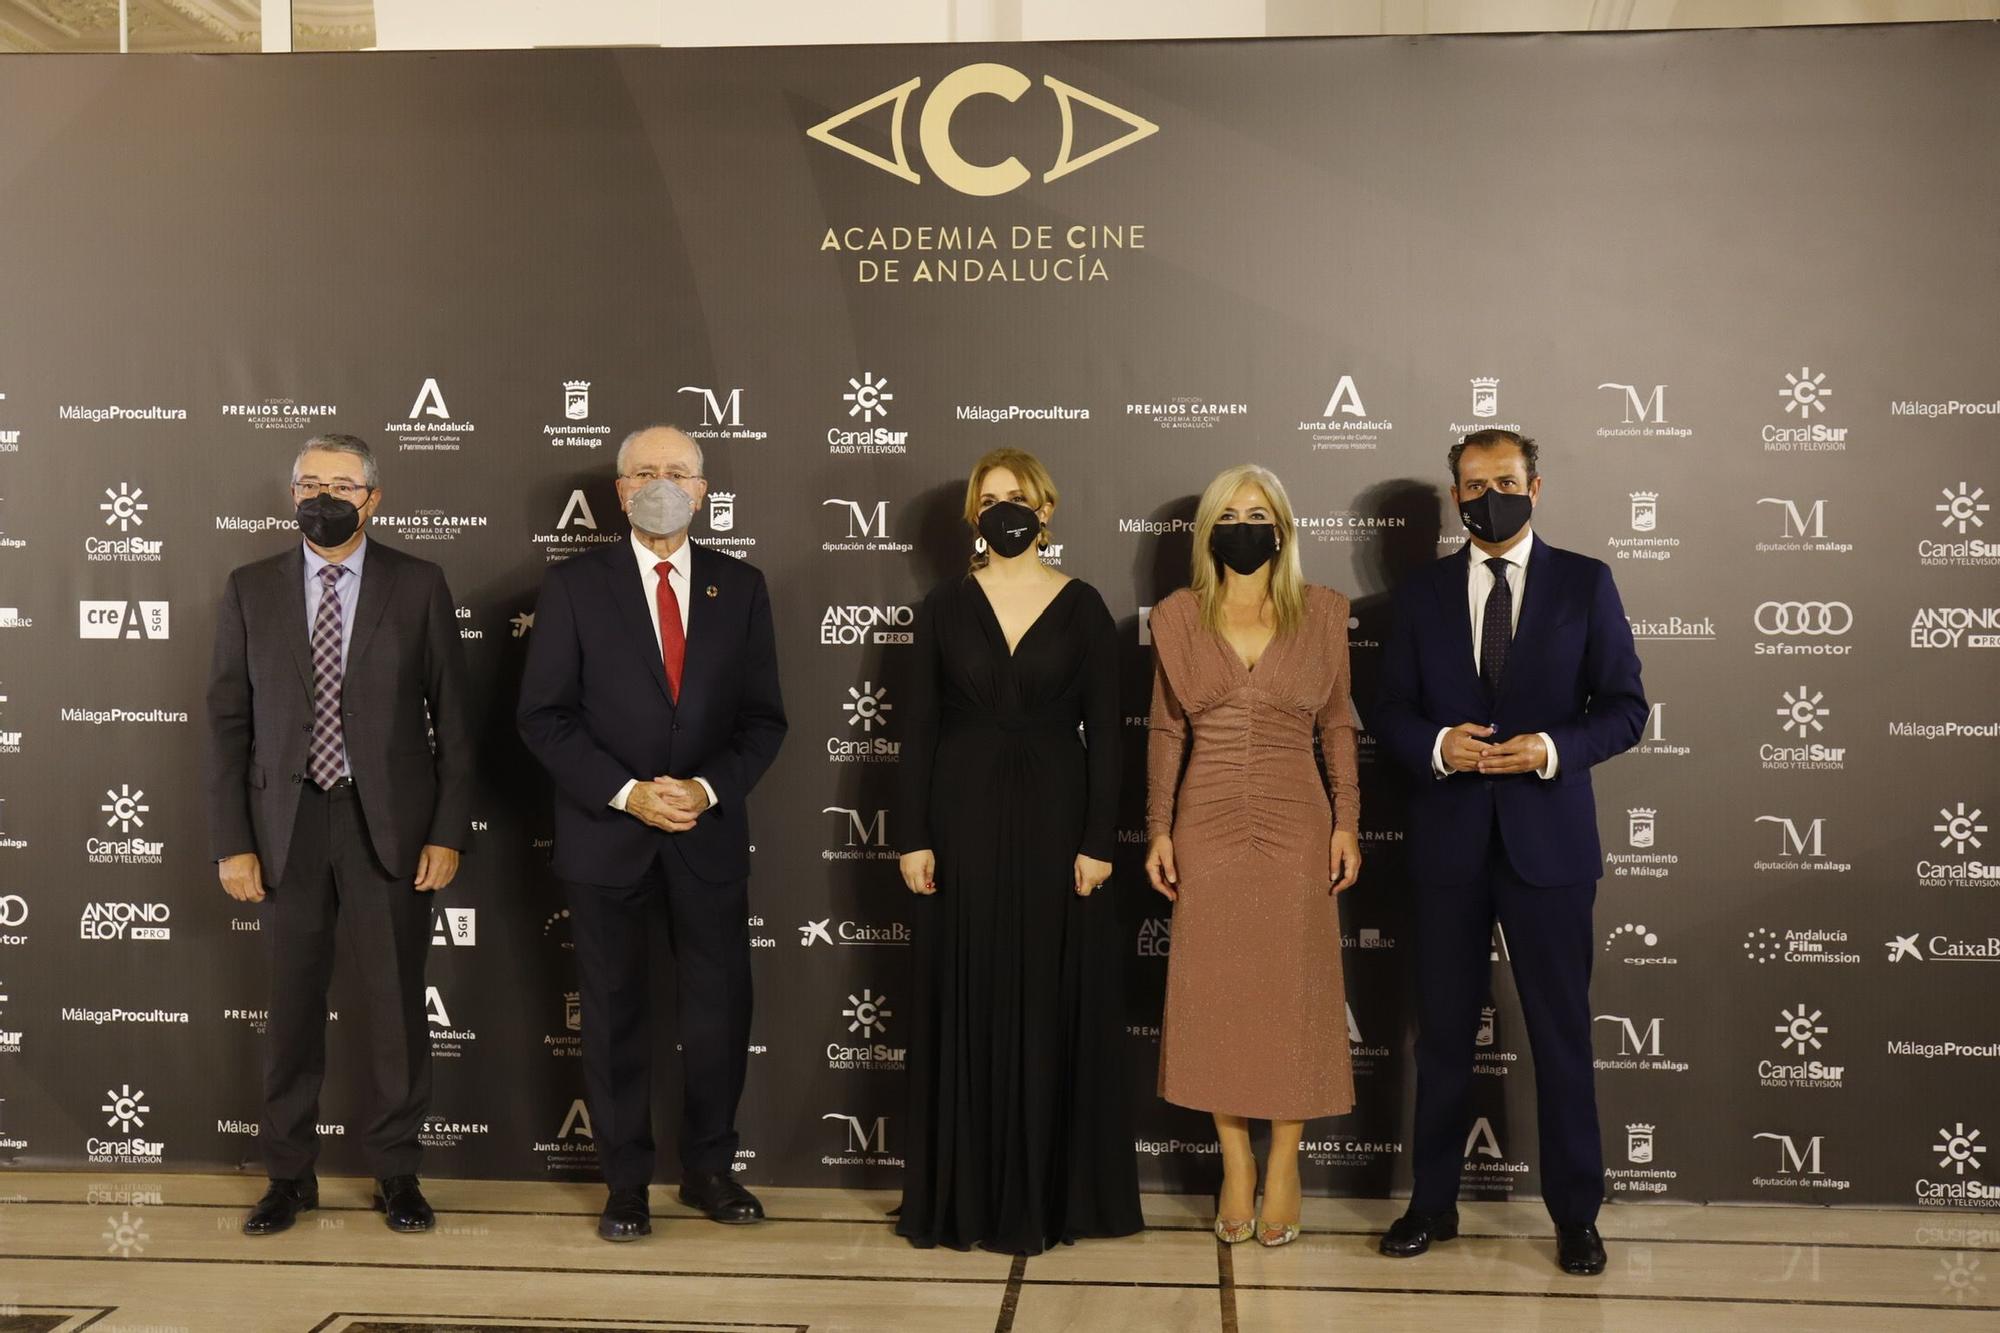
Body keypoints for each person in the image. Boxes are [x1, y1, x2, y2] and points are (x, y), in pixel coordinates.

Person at [1370, 429, 1646, 1277]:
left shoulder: (1585, 582)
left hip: (1549, 847)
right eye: (1473, 483)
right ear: (1456, 497)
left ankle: (1576, 1216)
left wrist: (1552, 748)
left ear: (1537, 486)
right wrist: (1439, 744)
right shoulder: (1417, 595)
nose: (1490, 493)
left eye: (1505, 480)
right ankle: (1432, 1202)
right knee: (1443, 1037)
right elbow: (1387, 709)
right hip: (1449, 844)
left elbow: (1626, 707)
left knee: (1562, 1035)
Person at [517, 424, 787, 1242]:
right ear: (620, 490)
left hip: (704, 838)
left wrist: (703, 790)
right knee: (611, 1015)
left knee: (718, 1011)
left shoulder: (740, 588)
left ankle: (709, 1168)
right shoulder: (572, 587)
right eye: (645, 471)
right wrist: (630, 793)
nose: (662, 482)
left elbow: (763, 719)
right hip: (608, 839)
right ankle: (625, 1184)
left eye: (678, 471)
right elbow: (545, 716)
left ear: (703, 490)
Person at [206, 432, 473, 1238]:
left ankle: (398, 1173)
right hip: (284, 828)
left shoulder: (418, 584)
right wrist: (233, 840)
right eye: (310, 483)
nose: (324, 496)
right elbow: (227, 725)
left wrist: (446, 830)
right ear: (293, 495)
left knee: (396, 1009)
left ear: (373, 499)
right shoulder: (250, 587)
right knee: (290, 1012)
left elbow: (454, 725)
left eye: (342, 485)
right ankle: (289, 1175)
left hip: (385, 825)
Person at [893, 447, 1143, 1254]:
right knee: (969, 991)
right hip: (959, 817)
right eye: (991, 497)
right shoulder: (941, 606)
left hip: (1057, 821)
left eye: (1020, 497)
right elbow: (918, 731)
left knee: (1049, 996)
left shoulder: (1084, 605)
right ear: (974, 514)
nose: (1006, 509)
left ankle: (1054, 1194)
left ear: (1047, 509)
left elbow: (1108, 735)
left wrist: (1100, 838)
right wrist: (913, 836)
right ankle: (962, 1197)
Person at [1142, 464, 1362, 1249]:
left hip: (1298, 819)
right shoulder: (1175, 615)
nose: (1245, 524)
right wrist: (1159, 827)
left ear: (1284, 527)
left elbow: (1337, 723)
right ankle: (1236, 1159)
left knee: (1293, 994)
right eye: (1229, 513)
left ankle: (1286, 1163)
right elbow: (1167, 728)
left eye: (1259, 512)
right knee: (1217, 992)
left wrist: (1347, 820)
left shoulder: (1325, 612)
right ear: (1208, 530)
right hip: (1205, 820)